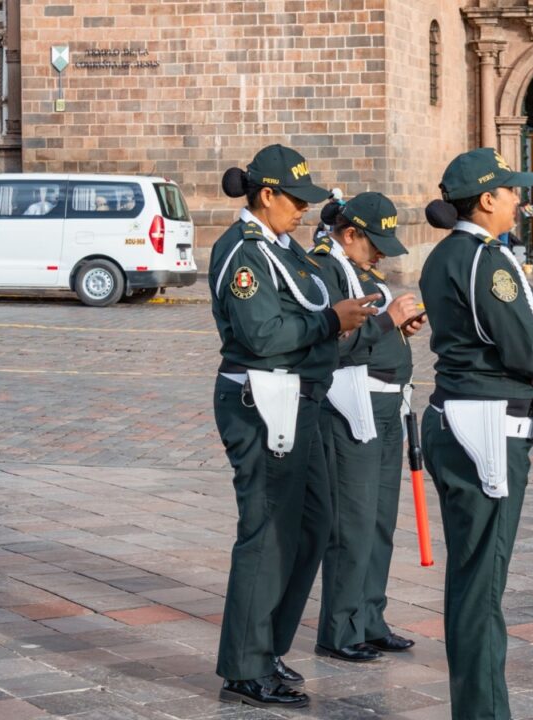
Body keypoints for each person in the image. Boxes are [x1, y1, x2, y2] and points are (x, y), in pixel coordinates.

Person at [208, 144, 379, 709]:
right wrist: (331, 320)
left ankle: (268, 645)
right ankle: (245, 664)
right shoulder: (243, 251)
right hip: (264, 401)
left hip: (299, 398)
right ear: (266, 195)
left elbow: (314, 300)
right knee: (268, 531)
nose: (303, 210)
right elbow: (261, 335)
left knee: (312, 523)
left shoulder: (283, 248)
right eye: (295, 200)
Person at [419, 148, 533, 720]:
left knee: (472, 575)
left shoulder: (446, 256)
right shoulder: (487, 260)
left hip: (458, 416)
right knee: (483, 584)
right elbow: (526, 348)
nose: (519, 199)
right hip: (484, 427)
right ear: (486, 200)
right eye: (511, 191)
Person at [309, 193, 425, 664]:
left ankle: (370, 618)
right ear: (349, 233)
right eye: (373, 243)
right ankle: (340, 628)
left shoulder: (359, 268)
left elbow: (369, 330)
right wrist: (386, 325)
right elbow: (330, 343)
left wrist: (400, 328)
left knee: (379, 521)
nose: (379, 254)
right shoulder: (325, 269)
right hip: (350, 403)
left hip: (386, 402)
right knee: (352, 523)